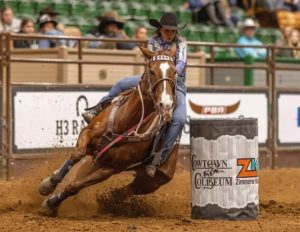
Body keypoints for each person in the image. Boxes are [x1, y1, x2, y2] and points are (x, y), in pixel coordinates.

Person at [82, 12, 187, 163]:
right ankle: (97, 109)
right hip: (152, 79)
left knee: (180, 119)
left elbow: (181, 64)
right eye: (166, 30)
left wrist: (168, 71)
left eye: (172, 31)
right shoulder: (153, 41)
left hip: (175, 83)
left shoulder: (181, 44)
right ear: (160, 30)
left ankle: (161, 156)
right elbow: (150, 61)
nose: (170, 34)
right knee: (122, 83)